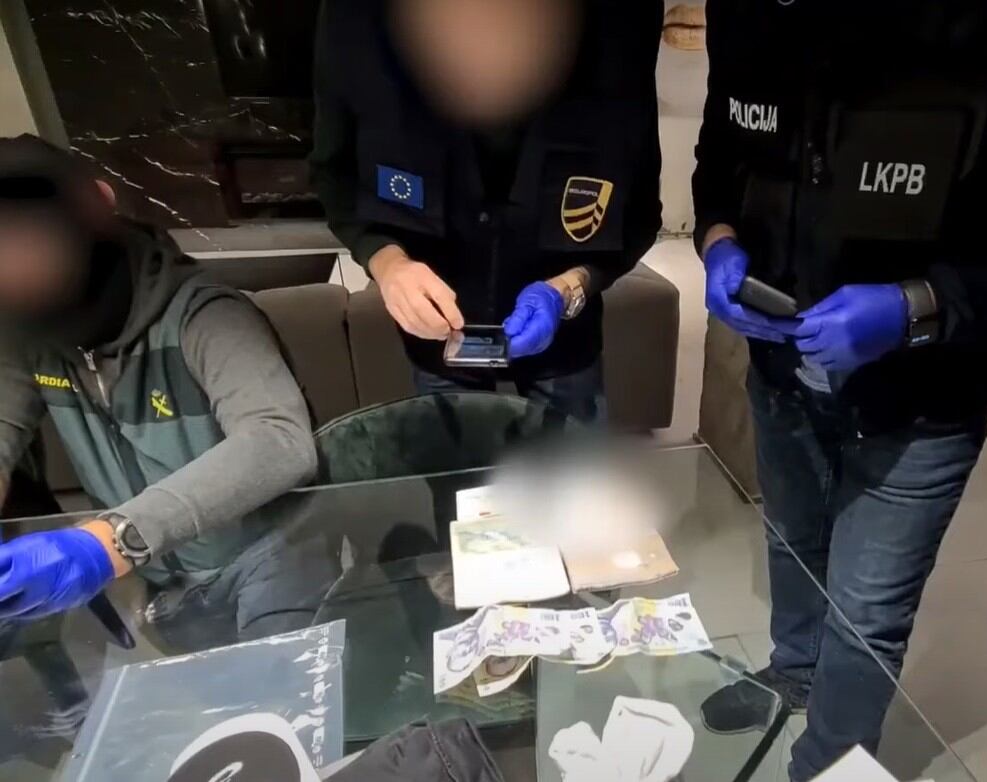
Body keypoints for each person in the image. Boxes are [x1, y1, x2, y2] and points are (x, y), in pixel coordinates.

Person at [693, 2, 987, 779]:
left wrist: (921, 305)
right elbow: (722, 151)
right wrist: (718, 240)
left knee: (865, 614)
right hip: (778, 355)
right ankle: (793, 672)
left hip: (927, 388)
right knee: (791, 545)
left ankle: (829, 764)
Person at [0, 135, 322, 638]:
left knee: (283, 683)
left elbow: (278, 439)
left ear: (97, 206)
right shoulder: (29, 340)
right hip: (163, 585)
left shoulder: (205, 313)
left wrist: (109, 542)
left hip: (272, 557)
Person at [309, 0, 664, 423]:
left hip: (566, 347)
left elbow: (638, 208)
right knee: (453, 463)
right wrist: (388, 264)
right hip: (438, 343)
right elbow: (335, 173)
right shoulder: (353, 18)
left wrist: (570, 287)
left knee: (574, 465)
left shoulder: (625, 21)